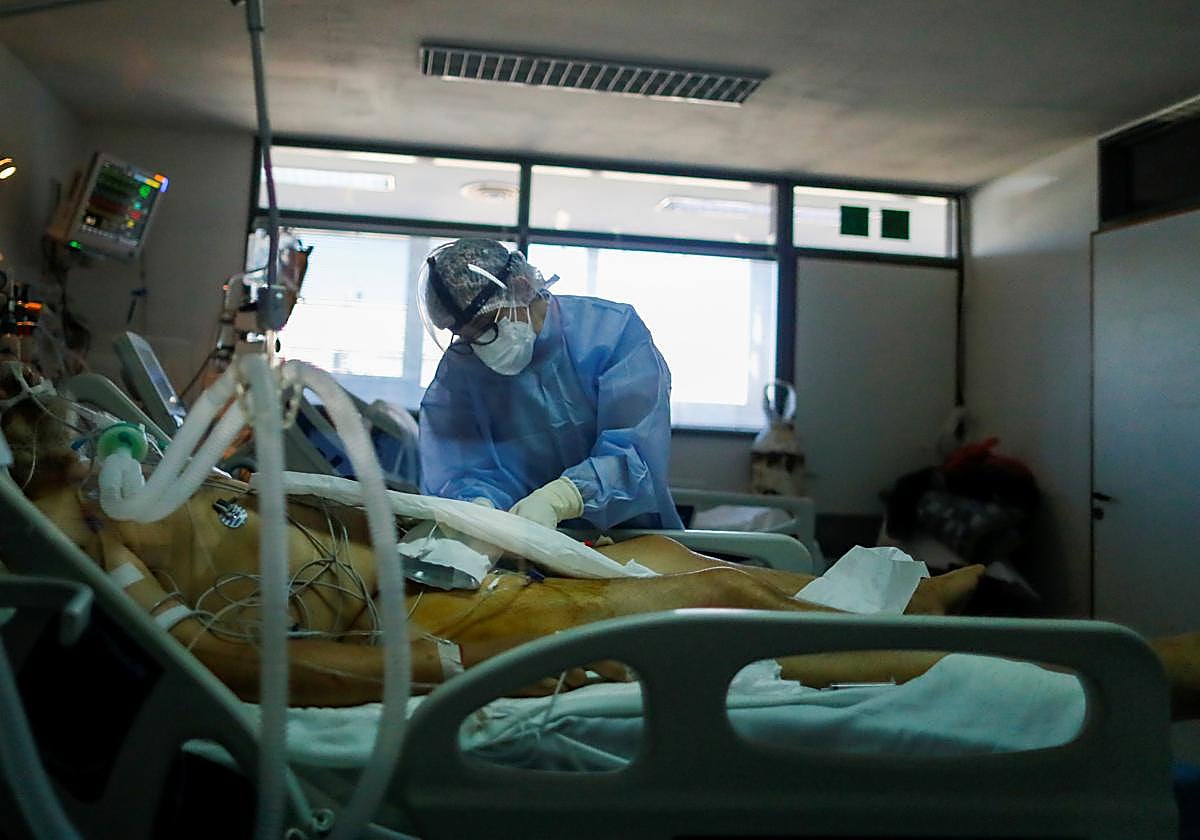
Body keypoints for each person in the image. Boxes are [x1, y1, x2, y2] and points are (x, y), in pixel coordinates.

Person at [2, 364, 1200, 722]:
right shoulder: (99, 561)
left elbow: (610, 451)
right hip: (440, 621)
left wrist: (550, 509)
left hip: (479, 558)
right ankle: (1077, 670)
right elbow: (257, 669)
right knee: (704, 619)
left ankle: (935, 623)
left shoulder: (102, 487)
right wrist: (444, 664)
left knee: (697, 570)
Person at [417, 238, 684, 532]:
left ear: (520, 288)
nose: (480, 346)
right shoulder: (463, 368)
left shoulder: (611, 333)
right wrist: (479, 504)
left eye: (486, 327)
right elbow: (461, 466)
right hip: (520, 544)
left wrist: (562, 498)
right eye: (466, 336)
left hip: (629, 535)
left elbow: (637, 453)